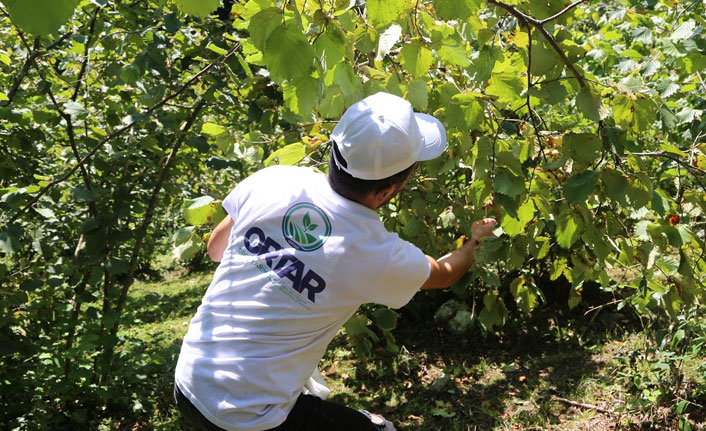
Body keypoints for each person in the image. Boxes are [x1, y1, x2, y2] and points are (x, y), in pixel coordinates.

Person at [173, 92, 498, 431]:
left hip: (190, 380)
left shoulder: (275, 180)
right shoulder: (376, 252)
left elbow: (215, 249)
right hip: (248, 415)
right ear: (387, 192)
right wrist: (474, 242)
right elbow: (443, 273)